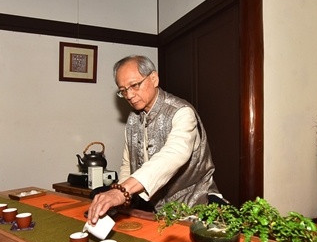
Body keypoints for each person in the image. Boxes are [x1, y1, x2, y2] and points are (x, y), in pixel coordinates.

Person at [86, 55, 222, 225]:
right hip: (155, 210)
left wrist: (122, 191)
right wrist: (122, 198)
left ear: (154, 78)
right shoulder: (133, 119)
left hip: (193, 207)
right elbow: (128, 165)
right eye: (123, 90)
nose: (129, 95)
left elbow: (171, 156)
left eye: (134, 85)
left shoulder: (181, 112)